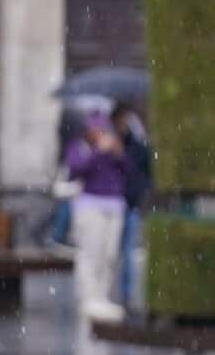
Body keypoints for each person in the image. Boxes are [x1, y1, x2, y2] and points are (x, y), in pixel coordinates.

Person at [64, 114, 129, 324]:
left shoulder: (113, 148)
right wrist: (97, 153)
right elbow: (75, 170)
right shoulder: (80, 148)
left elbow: (128, 172)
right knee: (91, 252)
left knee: (109, 254)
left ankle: (102, 296)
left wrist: (118, 154)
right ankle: (88, 297)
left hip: (114, 205)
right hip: (90, 206)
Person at [113, 103, 152, 310]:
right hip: (111, 203)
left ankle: (126, 295)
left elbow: (143, 171)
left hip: (129, 203)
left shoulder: (136, 146)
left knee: (127, 251)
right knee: (110, 252)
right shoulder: (108, 143)